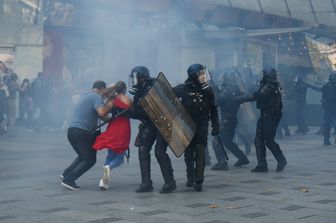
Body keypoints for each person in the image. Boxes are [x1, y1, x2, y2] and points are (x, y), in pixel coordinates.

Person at [129, 66, 177, 193]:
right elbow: (140, 114)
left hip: (162, 123)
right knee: (143, 150)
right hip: (149, 124)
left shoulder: (156, 87)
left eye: (135, 78)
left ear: (143, 77)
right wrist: (126, 113)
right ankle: (146, 183)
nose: (133, 81)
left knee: (159, 151)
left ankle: (170, 182)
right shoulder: (138, 94)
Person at [60, 80, 113, 190]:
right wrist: (110, 104)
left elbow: (101, 116)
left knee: (83, 156)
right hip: (82, 132)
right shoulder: (96, 97)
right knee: (90, 159)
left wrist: (111, 120)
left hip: (72, 131)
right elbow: (102, 113)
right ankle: (69, 179)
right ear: (102, 89)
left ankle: (66, 174)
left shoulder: (86, 96)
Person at [174, 63, 219, 191]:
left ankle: (199, 180)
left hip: (201, 125)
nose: (203, 76)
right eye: (200, 74)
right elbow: (168, 96)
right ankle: (190, 177)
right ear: (193, 75)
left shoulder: (208, 90)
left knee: (200, 152)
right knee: (188, 154)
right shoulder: (183, 89)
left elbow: (213, 109)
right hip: (187, 126)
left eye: (203, 73)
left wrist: (216, 126)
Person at [92, 81, 133, 190]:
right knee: (119, 159)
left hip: (113, 127)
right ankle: (108, 168)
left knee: (110, 156)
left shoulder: (112, 100)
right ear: (124, 90)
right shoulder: (129, 100)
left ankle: (104, 182)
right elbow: (134, 112)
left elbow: (102, 114)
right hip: (124, 129)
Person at [249, 67, 287, 173]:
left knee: (269, 140)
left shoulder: (269, 86)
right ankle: (262, 164)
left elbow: (257, 95)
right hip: (266, 115)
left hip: (269, 116)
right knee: (259, 140)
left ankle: (281, 160)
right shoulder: (273, 85)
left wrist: (240, 99)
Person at [212, 69, 250, 170]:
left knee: (217, 141)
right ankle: (242, 158)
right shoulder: (236, 89)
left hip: (226, 119)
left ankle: (222, 163)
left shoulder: (226, 91)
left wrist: (215, 90)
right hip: (232, 118)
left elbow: (217, 102)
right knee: (228, 141)